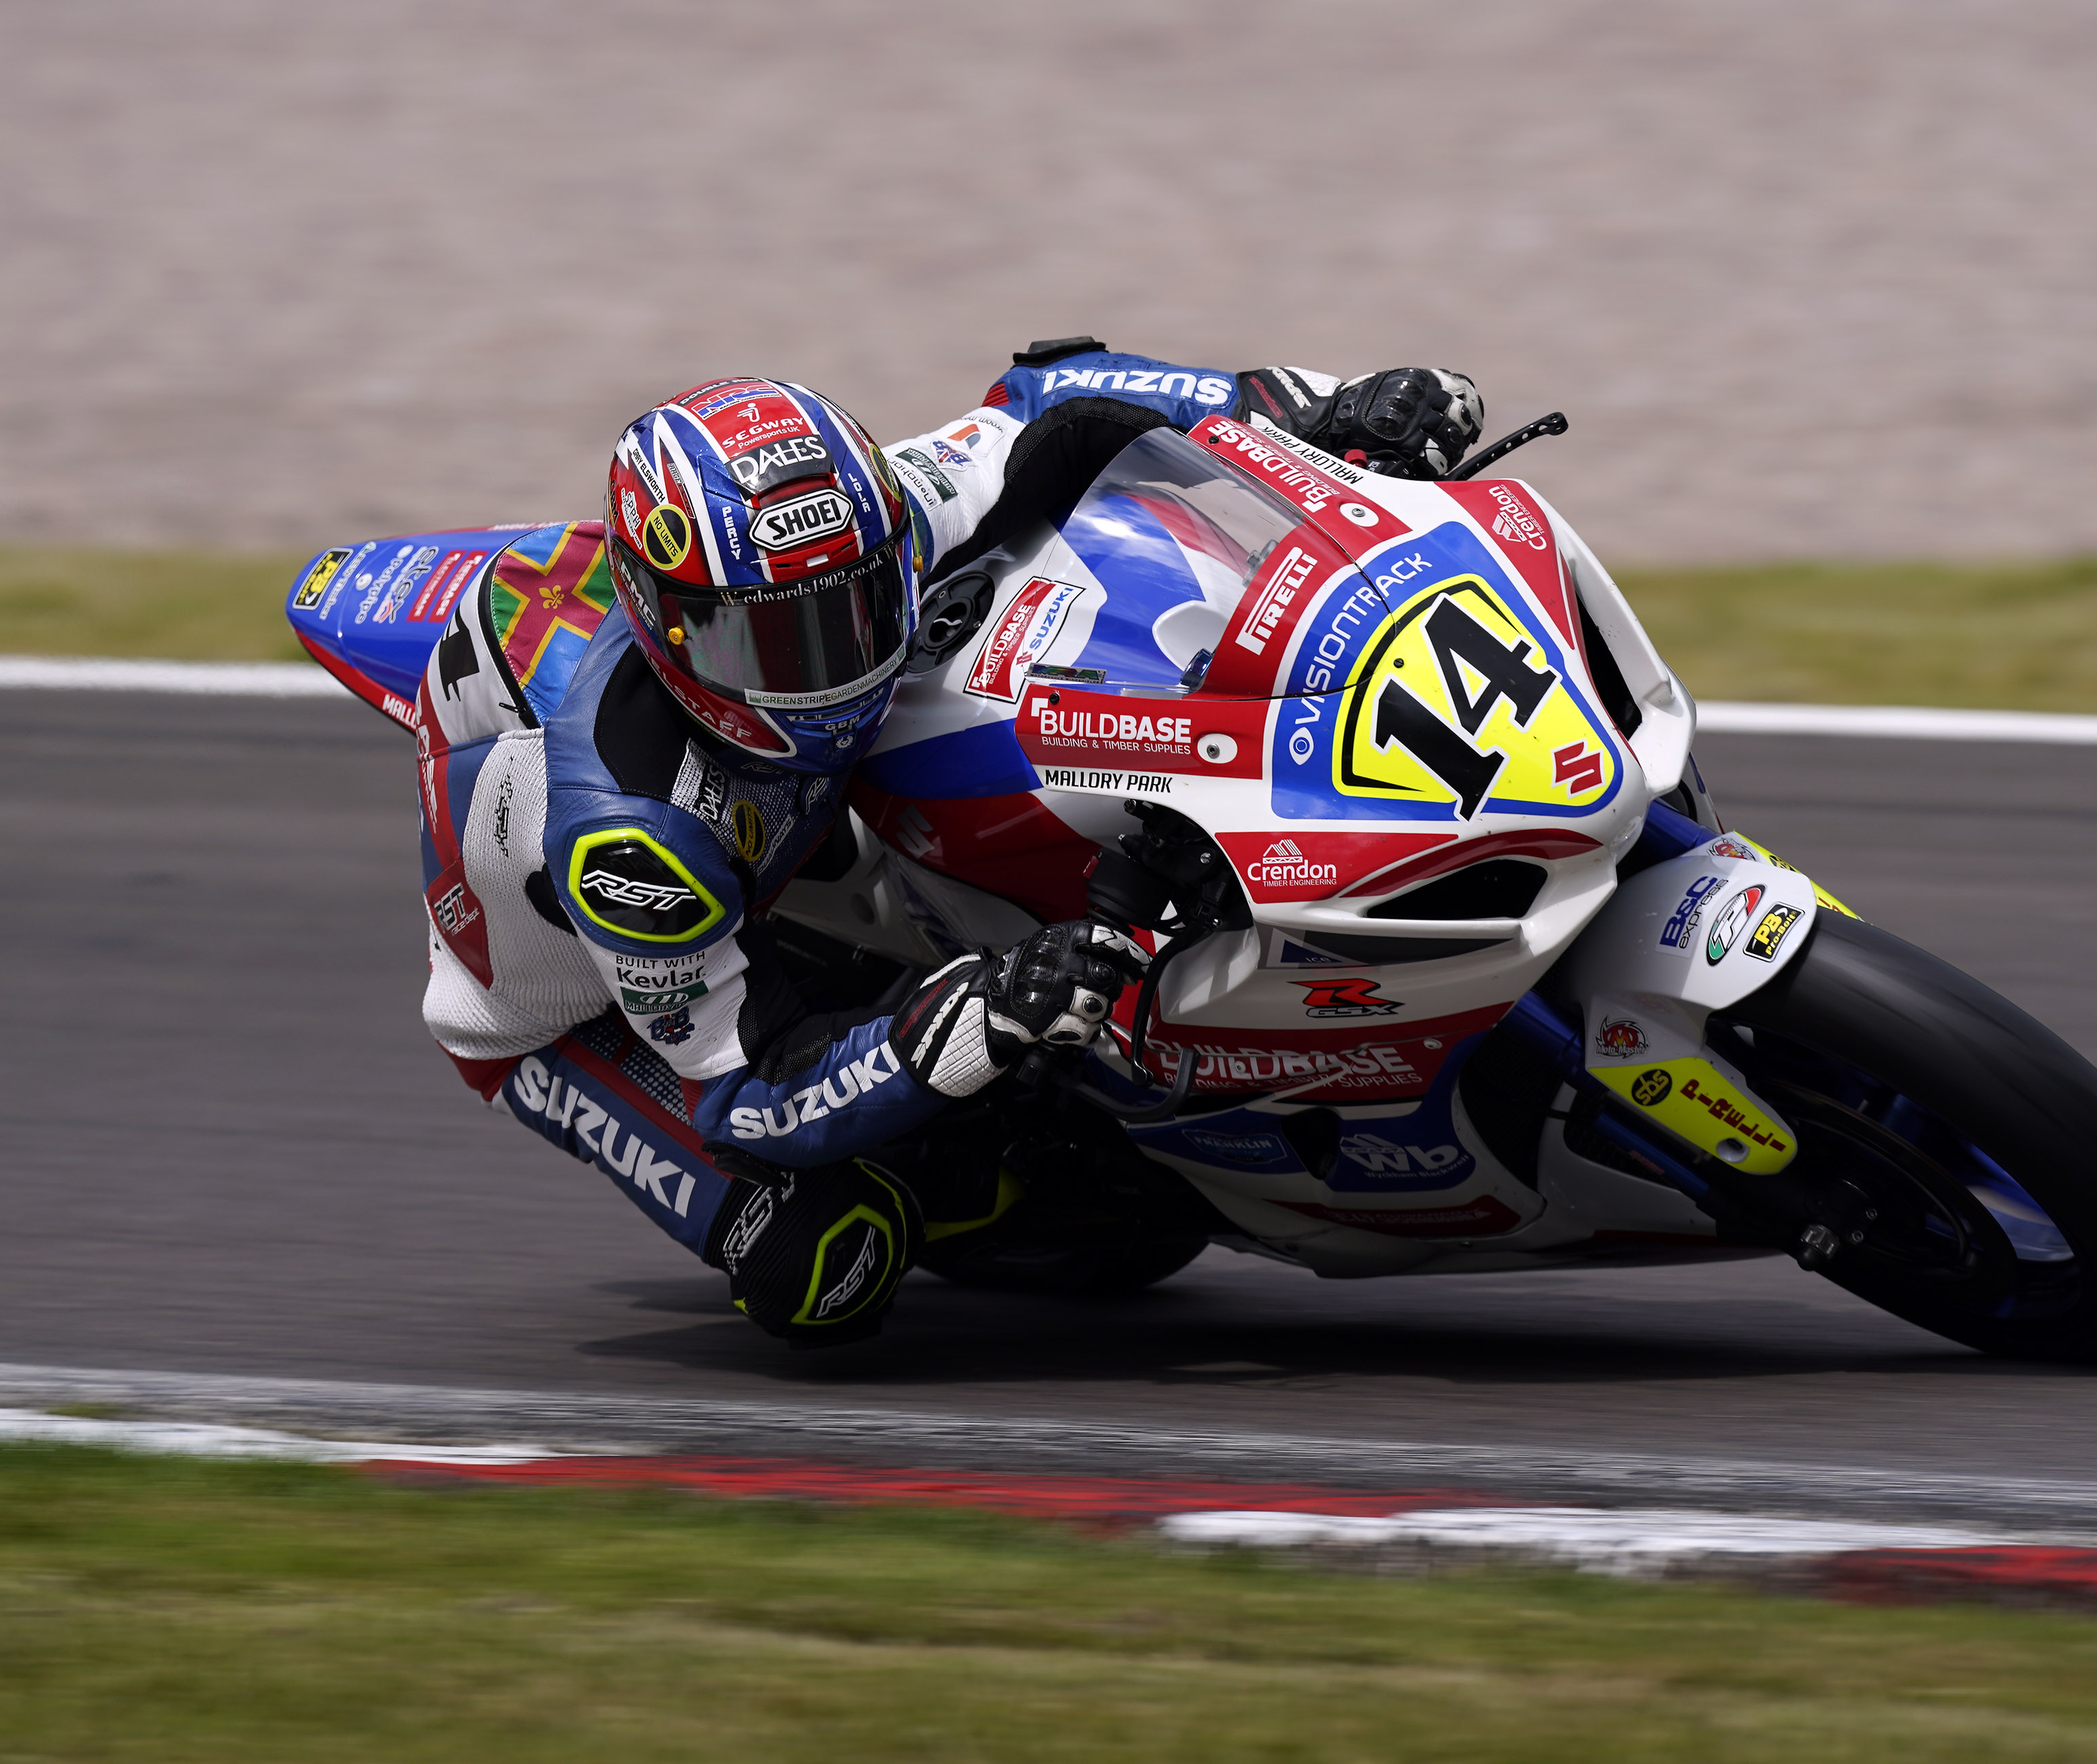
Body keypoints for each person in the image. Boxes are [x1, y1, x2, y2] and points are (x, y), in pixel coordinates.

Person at [411, 340, 1484, 1345]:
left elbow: (1058, 402)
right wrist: (976, 1023)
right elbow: (750, 1094)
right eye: (773, 643)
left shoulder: (863, 526)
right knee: (821, 1262)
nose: (832, 668)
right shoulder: (635, 838)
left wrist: (1309, 409)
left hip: (785, 829)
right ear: (670, 631)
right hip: (577, 1017)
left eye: (856, 609)